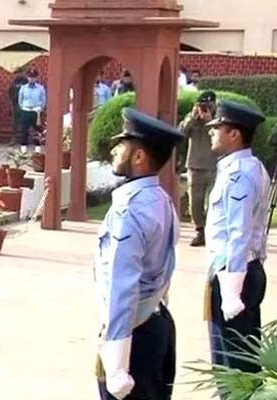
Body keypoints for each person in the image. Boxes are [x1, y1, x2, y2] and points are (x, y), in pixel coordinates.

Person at [95, 107, 183, 400]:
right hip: (157, 323)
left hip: (134, 335)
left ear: (138, 157)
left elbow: (122, 288)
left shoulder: (129, 210)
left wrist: (117, 362)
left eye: (122, 145)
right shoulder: (162, 200)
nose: (114, 151)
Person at [204, 100, 270, 376]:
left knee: (232, 368)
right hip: (241, 271)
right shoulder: (247, 167)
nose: (211, 132)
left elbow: (238, 233)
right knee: (238, 363)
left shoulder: (239, 175)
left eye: (218, 127)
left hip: (235, 275)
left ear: (234, 135)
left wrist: (231, 292)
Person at [179, 91, 218, 246]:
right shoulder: (192, 118)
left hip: (214, 166)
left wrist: (211, 121)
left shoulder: (219, 117)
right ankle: (200, 231)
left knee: (212, 202)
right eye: (202, 105)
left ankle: (211, 230)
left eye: (209, 105)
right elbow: (181, 132)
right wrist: (192, 118)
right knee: (195, 203)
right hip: (195, 166)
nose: (205, 108)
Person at [17, 69, 46, 152]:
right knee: (24, 129)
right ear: (27, 78)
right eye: (30, 77)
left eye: (33, 77)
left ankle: (37, 148)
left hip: (36, 111)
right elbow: (20, 100)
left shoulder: (40, 88)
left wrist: (40, 108)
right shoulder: (23, 88)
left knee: (37, 130)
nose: (31, 79)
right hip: (26, 110)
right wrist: (23, 108)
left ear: (36, 78)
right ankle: (23, 148)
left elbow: (43, 100)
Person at [8, 68, 28, 145]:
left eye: (19, 73)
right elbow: (9, 93)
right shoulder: (13, 83)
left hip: (25, 105)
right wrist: (10, 105)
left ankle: (25, 139)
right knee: (14, 123)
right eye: (16, 73)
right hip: (15, 105)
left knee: (25, 123)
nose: (17, 75)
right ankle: (14, 138)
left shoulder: (26, 82)